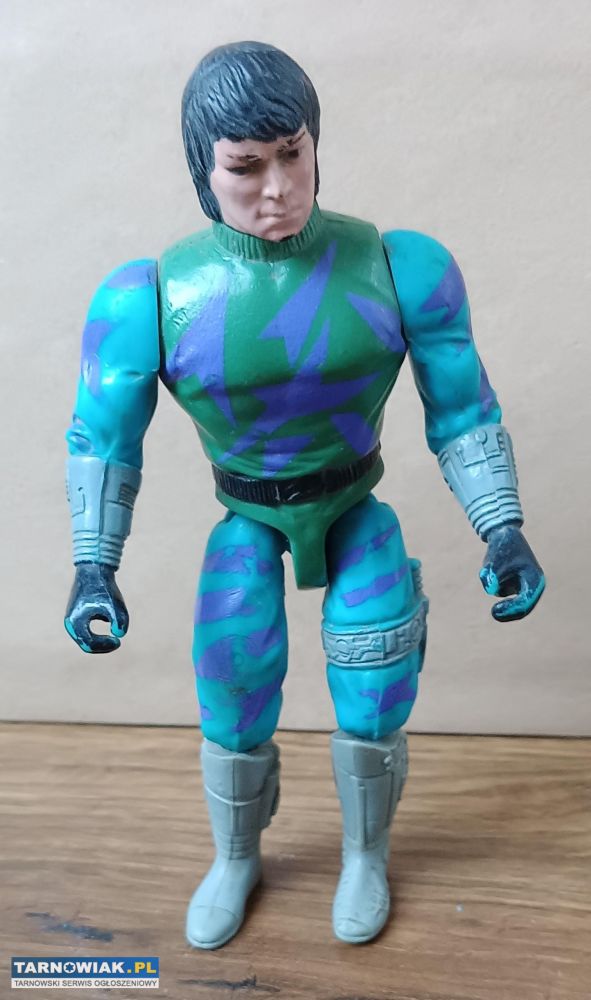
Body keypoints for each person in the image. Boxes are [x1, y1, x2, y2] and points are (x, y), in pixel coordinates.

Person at [64, 41, 545, 950]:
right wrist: (94, 564)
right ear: (204, 171)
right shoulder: (154, 295)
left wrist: (501, 527)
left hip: (354, 501)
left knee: (374, 680)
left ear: (316, 142)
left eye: (292, 153)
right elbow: (103, 438)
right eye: (245, 167)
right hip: (246, 513)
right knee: (232, 679)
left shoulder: (398, 267)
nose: (277, 188)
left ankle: (365, 854)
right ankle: (235, 856)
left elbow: (462, 409)